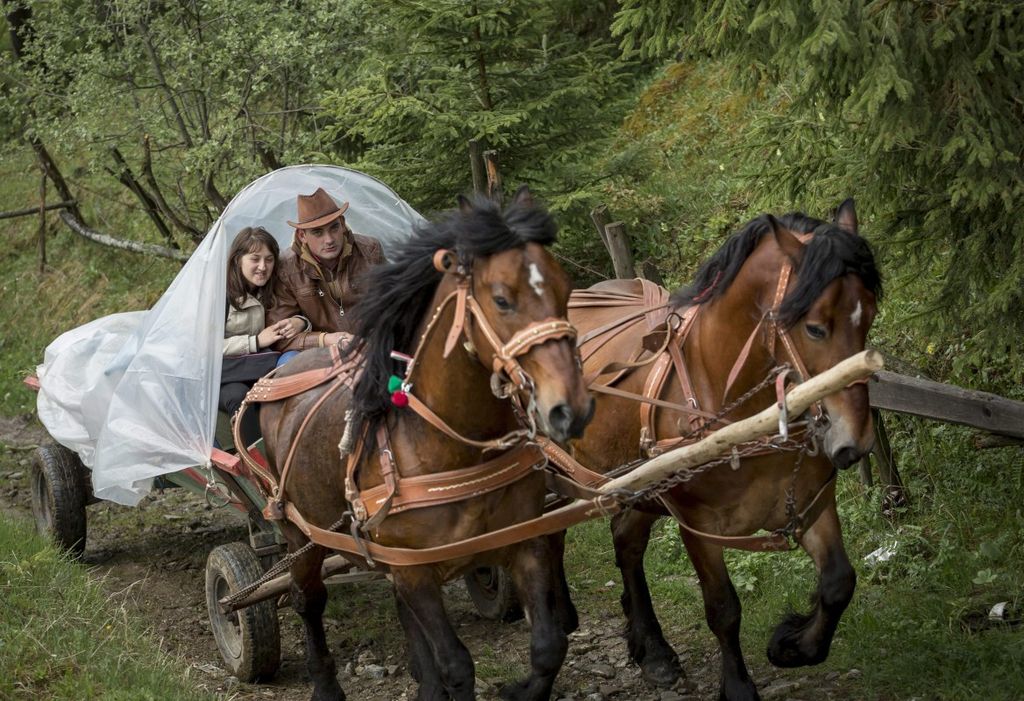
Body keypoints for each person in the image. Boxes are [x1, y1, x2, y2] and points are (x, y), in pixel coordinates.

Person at [266, 187, 385, 352]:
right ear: (302, 236)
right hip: (320, 351)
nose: (329, 240)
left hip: (373, 342)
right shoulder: (286, 268)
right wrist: (327, 340)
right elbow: (280, 337)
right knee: (287, 366)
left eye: (334, 228)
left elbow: (392, 306)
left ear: (342, 224)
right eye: (318, 232)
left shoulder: (369, 250)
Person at [221, 226, 306, 445]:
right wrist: (256, 341)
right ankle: (257, 461)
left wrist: (300, 322)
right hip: (226, 375)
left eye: (269, 260)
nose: (263, 267)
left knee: (293, 367)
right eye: (255, 259)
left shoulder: (273, 288)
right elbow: (205, 348)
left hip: (259, 366)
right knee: (240, 396)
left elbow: (301, 312)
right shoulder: (221, 296)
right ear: (238, 260)